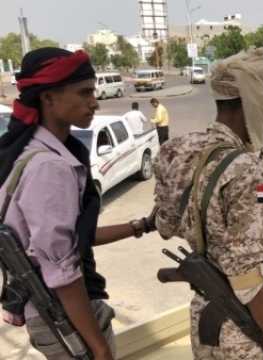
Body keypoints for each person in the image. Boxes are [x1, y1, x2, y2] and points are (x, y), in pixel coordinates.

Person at [0, 48, 157, 360]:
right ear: (48, 98)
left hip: (58, 313)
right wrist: (98, 347)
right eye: (84, 93)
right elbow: (62, 268)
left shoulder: (36, 151)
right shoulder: (50, 167)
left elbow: (70, 238)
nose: (95, 102)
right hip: (66, 318)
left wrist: (141, 226)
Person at [152, 48, 263, 360]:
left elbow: (165, 225)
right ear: (256, 98)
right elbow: (247, 276)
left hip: (204, 317)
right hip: (247, 333)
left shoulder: (174, 151)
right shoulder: (256, 174)